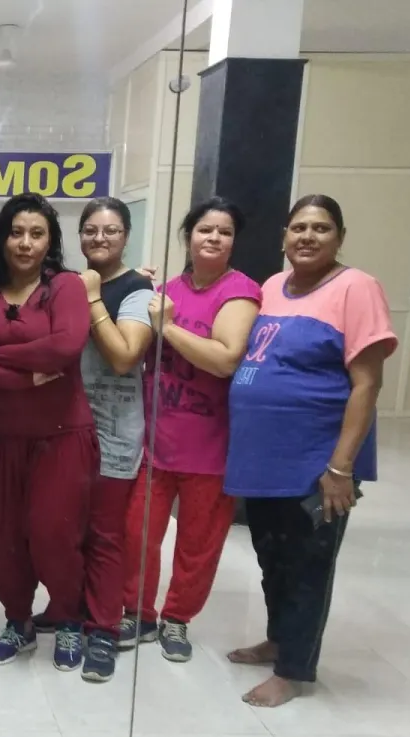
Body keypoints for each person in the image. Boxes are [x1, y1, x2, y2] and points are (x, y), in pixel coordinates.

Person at [226, 195, 396, 707]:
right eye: (298, 227)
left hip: (316, 461)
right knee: (271, 556)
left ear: (339, 237)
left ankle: (294, 670)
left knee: (307, 564)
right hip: (265, 458)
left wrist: (340, 468)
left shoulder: (357, 288)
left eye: (321, 228)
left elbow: (366, 384)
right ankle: (279, 639)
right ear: (284, 236)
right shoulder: (272, 287)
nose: (307, 236)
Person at [0, 193, 96, 671]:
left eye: (37, 234)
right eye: (16, 232)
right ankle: (18, 621)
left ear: (51, 241)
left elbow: (66, 346)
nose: (26, 243)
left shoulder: (66, 286)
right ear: (1, 237)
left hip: (62, 435)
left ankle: (69, 617)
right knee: (7, 537)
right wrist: (24, 375)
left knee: (54, 533)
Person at [119, 197, 261, 663]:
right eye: (205, 229)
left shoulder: (240, 292)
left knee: (198, 544)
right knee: (138, 535)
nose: (214, 238)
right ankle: (137, 613)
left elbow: (225, 359)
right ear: (188, 236)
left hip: (210, 448)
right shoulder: (165, 290)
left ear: (233, 242)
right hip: (154, 444)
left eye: (225, 232)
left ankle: (177, 618)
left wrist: (168, 327)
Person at [72, 197, 156, 683]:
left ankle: (104, 627)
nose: (99, 238)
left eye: (110, 231)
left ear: (126, 236)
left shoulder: (137, 289)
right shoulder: (71, 282)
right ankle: (75, 611)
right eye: (91, 230)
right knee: (70, 529)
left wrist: (90, 298)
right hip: (69, 428)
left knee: (105, 534)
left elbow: (125, 356)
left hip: (114, 430)